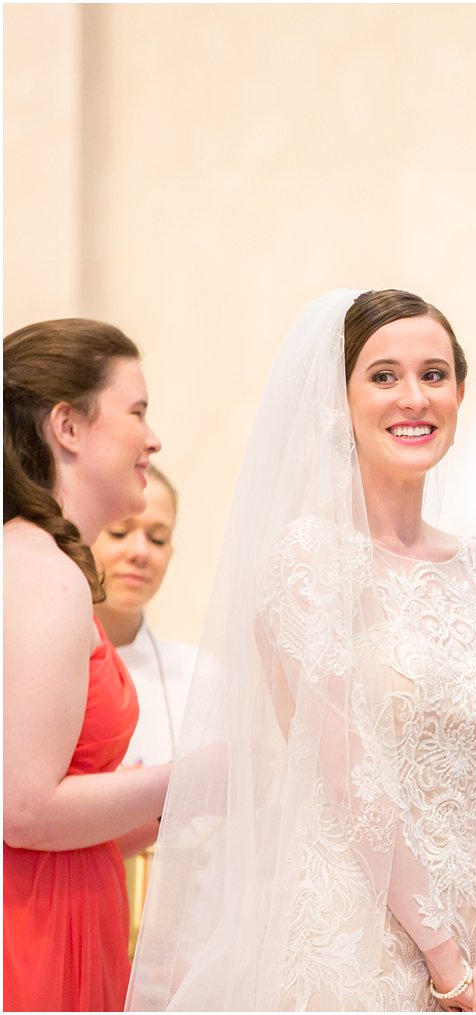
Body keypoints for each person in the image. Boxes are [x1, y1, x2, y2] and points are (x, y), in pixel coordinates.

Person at [128, 289, 476, 1011]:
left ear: (460, 394)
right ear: (338, 399)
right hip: (351, 937)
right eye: (383, 376)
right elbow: (350, 773)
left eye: (434, 374)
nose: (413, 397)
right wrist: (445, 961)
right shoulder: (309, 558)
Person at [4, 318, 173, 1011]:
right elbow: (23, 808)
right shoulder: (42, 572)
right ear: (67, 426)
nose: (153, 438)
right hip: (35, 934)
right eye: (137, 411)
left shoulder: (38, 562)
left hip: (66, 907)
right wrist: (196, 774)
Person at [93, 464, 196, 768]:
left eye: (158, 539)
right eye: (119, 532)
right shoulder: (36, 664)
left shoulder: (199, 675)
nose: (139, 552)